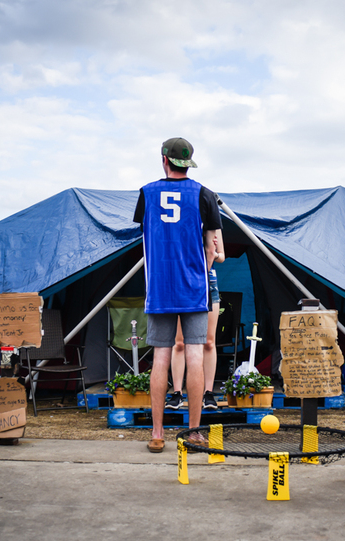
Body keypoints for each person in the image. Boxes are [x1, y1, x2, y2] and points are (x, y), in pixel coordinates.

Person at [133, 137, 222, 453]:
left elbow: (143, 234)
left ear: (164, 161)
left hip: (159, 288)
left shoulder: (146, 193)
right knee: (195, 356)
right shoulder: (205, 195)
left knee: (160, 357)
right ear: (188, 163)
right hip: (194, 288)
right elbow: (213, 247)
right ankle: (194, 432)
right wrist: (201, 269)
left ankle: (157, 434)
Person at [166, 230, 225, 411]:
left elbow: (222, 256)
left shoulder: (213, 224)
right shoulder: (179, 219)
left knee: (209, 341)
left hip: (207, 282)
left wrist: (213, 253)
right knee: (179, 343)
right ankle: (177, 393)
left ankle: (208, 393)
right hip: (181, 281)